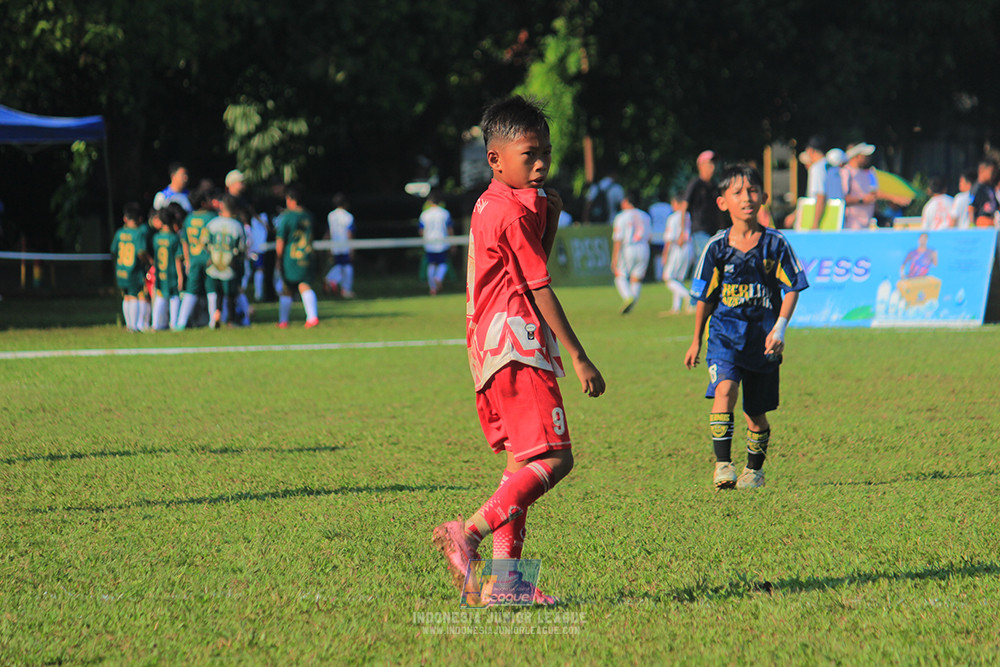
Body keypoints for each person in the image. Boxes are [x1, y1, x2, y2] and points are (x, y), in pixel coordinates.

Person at [432, 96, 606, 605]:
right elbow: (539, 285)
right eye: (529, 154)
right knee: (556, 458)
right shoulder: (509, 211)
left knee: (520, 465)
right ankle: (468, 530)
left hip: (491, 346)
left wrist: (548, 217)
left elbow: (528, 263)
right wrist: (578, 354)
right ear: (496, 159)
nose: (540, 164)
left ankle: (508, 587)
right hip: (517, 344)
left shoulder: (495, 202)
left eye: (545, 154)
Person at [684, 164, 809, 490]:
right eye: (737, 192)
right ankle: (723, 465)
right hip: (724, 336)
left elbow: (793, 286)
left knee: (756, 413)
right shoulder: (716, 247)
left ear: (764, 197)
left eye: (752, 191)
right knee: (724, 390)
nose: (747, 198)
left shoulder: (776, 243)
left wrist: (780, 328)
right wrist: (696, 340)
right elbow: (705, 297)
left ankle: (754, 471)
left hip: (763, 340)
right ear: (723, 202)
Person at [275, 185, 320, 328]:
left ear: (290, 199)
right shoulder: (309, 216)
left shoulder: (287, 217)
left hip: (291, 257)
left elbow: (280, 239)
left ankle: (283, 321)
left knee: (287, 288)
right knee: (305, 284)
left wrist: (278, 258)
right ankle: (312, 317)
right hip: (307, 255)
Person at [204, 194, 247, 328]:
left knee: (218, 293)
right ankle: (231, 320)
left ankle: (217, 313)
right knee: (230, 294)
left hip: (214, 262)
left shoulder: (212, 223)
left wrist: (211, 254)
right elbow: (241, 247)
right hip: (229, 264)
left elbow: (204, 242)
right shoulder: (237, 226)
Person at [176, 190, 215, 330]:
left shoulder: (188, 219)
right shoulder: (211, 217)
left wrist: (187, 260)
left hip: (193, 259)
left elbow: (184, 241)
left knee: (190, 290)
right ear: (204, 203)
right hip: (208, 259)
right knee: (211, 288)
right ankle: (212, 321)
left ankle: (181, 322)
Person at [677, 150, 723, 263]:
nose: (712, 167)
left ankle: (699, 280)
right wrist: (682, 231)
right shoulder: (695, 184)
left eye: (714, 164)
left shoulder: (714, 186)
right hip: (699, 228)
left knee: (707, 260)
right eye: (709, 163)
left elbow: (719, 210)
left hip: (713, 229)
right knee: (705, 258)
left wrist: (721, 227)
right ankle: (699, 280)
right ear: (701, 166)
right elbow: (684, 207)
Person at [110, 202, 149, 331]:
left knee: (126, 296)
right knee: (135, 295)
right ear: (140, 219)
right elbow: (140, 252)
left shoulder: (119, 233)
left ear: (125, 218)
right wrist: (148, 262)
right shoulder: (138, 234)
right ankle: (134, 325)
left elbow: (113, 250)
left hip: (121, 270)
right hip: (133, 270)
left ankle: (128, 324)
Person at [610, 191, 652, 314]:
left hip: (628, 247)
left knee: (619, 275)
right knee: (636, 278)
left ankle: (628, 297)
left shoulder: (621, 216)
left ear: (627, 202)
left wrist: (614, 258)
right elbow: (649, 237)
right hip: (643, 247)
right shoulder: (645, 216)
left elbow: (618, 239)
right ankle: (632, 305)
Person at [150, 209, 184, 330]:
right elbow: (178, 259)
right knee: (174, 296)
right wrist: (181, 276)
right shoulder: (174, 238)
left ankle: (156, 324)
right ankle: (174, 323)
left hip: (160, 272)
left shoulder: (156, 237)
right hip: (172, 272)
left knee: (160, 296)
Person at [661, 193, 692, 314]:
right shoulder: (688, 216)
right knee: (679, 279)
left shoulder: (673, 217)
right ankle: (676, 307)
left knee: (668, 278)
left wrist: (665, 254)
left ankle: (688, 295)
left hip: (677, 249)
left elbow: (669, 238)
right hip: (688, 247)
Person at [419, 189, 453, 296]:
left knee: (431, 264)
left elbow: (421, 230)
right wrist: (452, 242)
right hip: (442, 241)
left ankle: (432, 287)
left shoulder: (424, 214)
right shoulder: (445, 213)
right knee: (443, 263)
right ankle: (438, 278)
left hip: (429, 242)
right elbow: (449, 229)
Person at [324, 193, 356, 298]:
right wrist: (352, 248)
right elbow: (349, 233)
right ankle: (338, 284)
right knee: (347, 267)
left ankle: (332, 280)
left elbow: (329, 232)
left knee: (341, 266)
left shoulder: (331, 216)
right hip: (345, 246)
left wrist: (327, 245)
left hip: (335, 246)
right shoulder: (348, 216)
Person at [842, 143, 878, 230]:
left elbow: (874, 192)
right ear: (856, 156)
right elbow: (841, 198)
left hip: (866, 224)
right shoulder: (846, 172)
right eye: (864, 155)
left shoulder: (870, 173)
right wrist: (862, 200)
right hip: (851, 224)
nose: (867, 158)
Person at [647, 192, 673, 281]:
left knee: (657, 256)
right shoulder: (669, 208)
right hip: (665, 234)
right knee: (666, 254)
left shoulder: (653, 207)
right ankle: (664, 274)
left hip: (654, 234)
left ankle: (658, 275)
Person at [967, 157, 998, 228]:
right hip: (982, 221)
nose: (994, 175)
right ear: (982, 170)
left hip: (992, 220)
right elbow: (971, 207)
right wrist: (972, 224)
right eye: (992, 172)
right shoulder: (977, 188)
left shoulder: (990, 187)